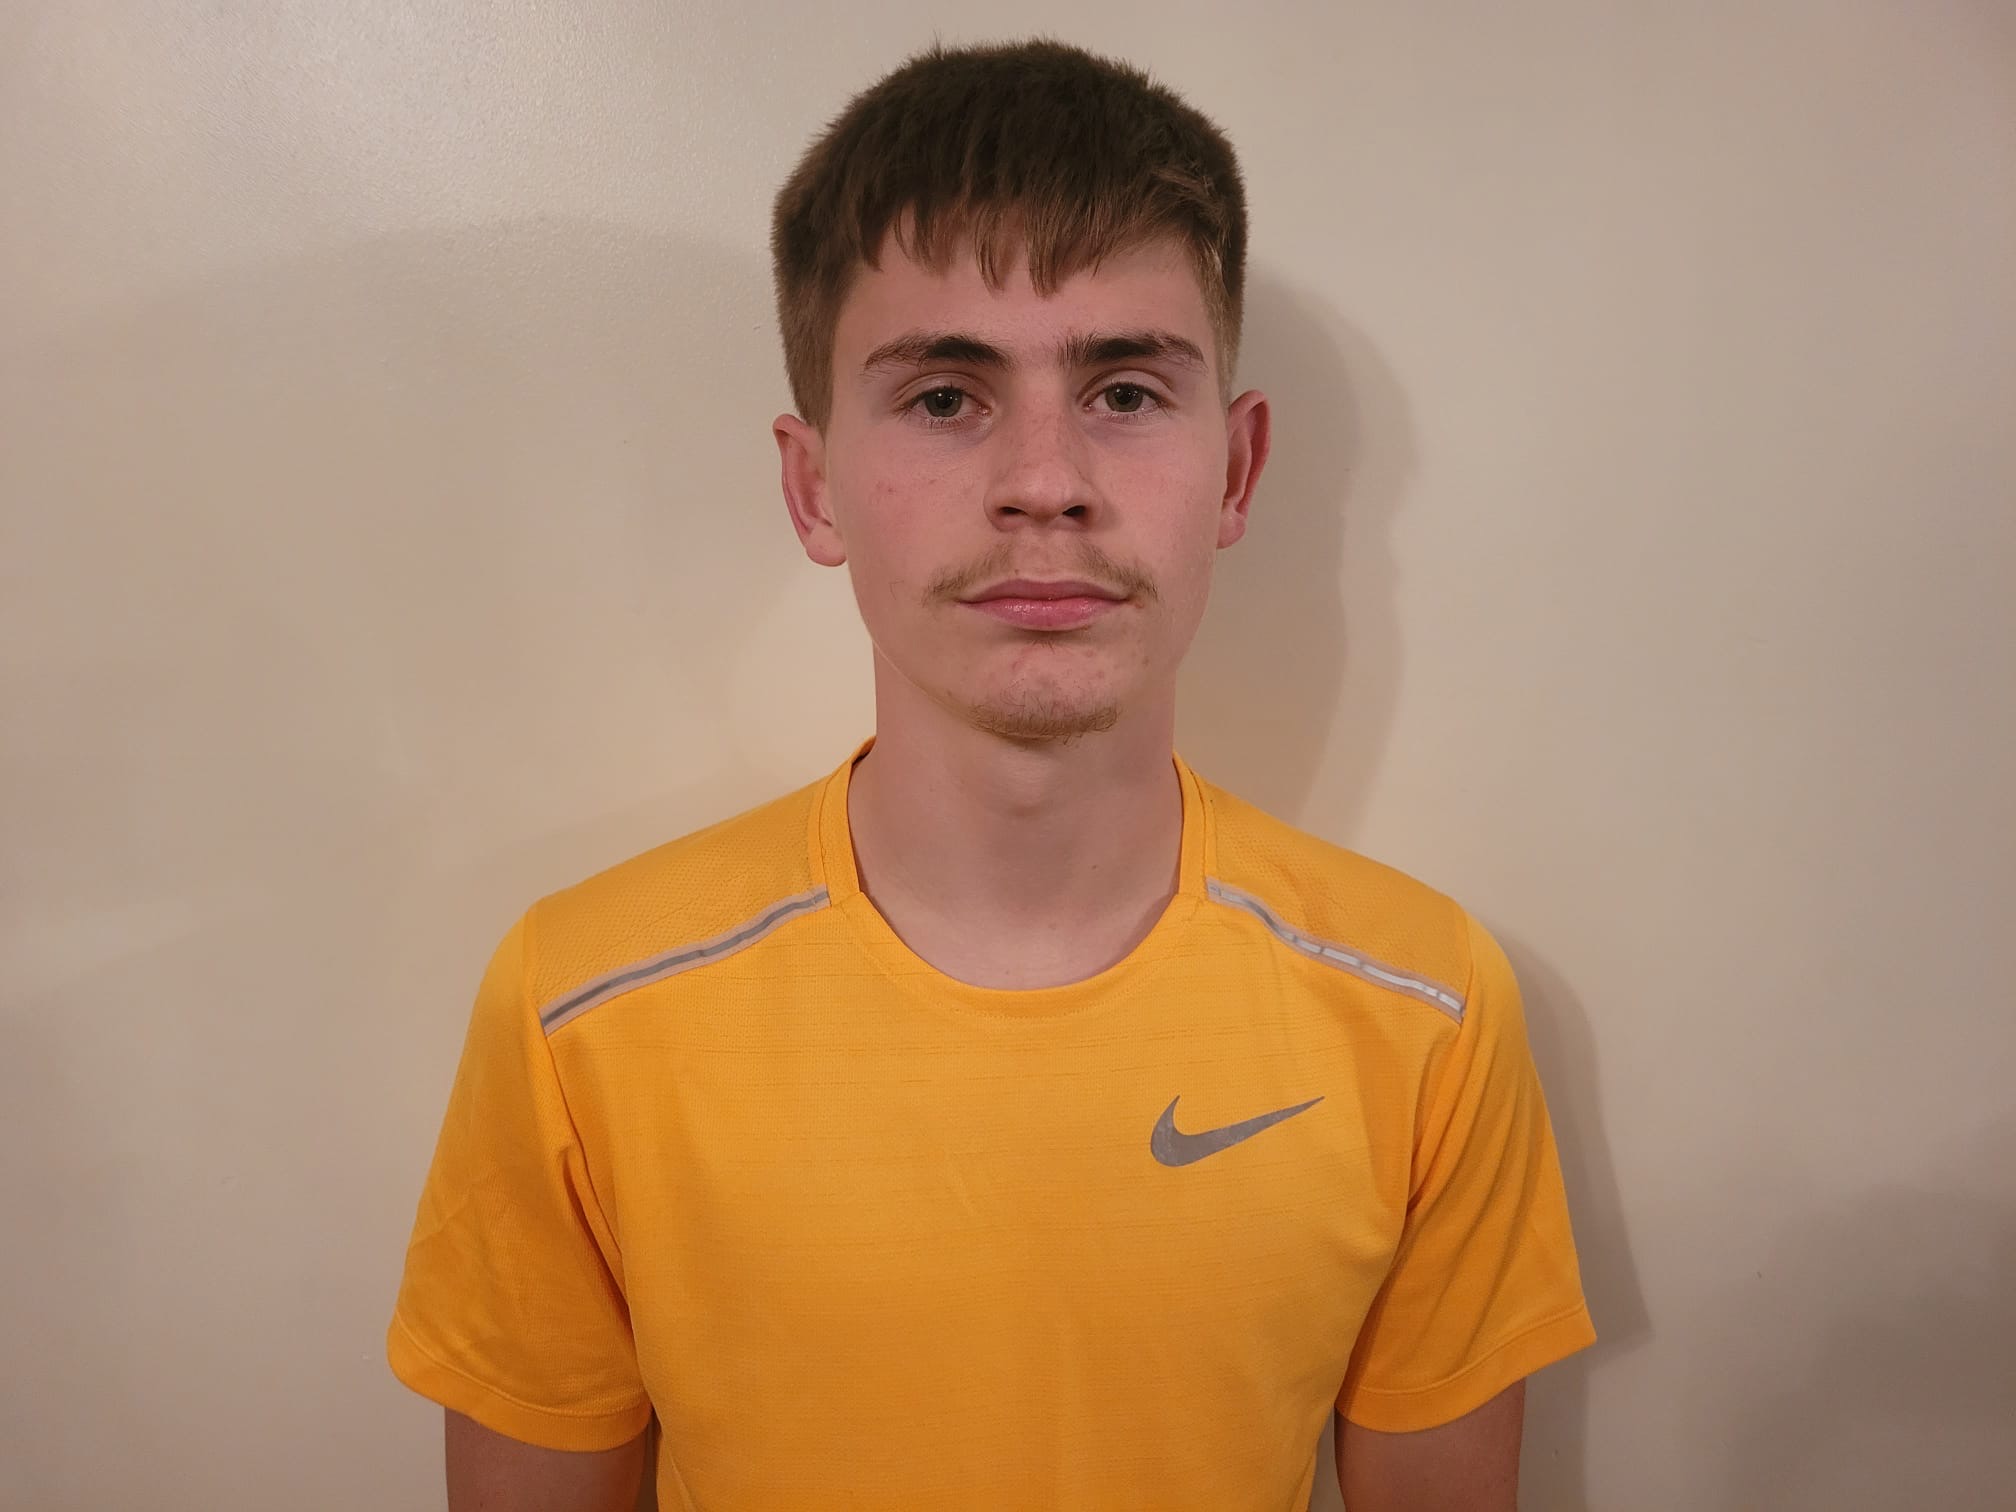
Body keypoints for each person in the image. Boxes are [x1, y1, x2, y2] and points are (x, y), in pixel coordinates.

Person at [387, 36, 1594, 1512]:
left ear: (1236, 469)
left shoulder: (1425, 1010)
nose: (1045, 479)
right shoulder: (578, 1010)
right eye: (946, 397)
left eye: (1129, 392)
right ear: (813, 482)